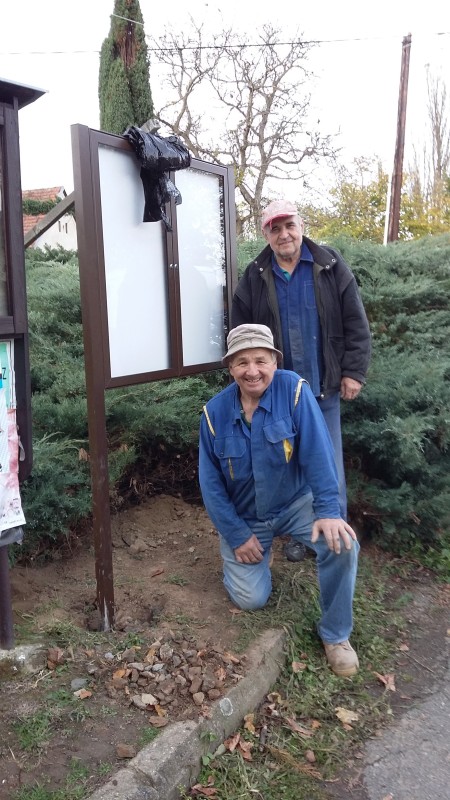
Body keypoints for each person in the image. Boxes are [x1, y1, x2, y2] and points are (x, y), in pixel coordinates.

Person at [199, 323, 360, 677]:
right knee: (251, 600)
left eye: (260, 360)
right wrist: (237, 535)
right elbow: (211, 486)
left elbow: (319, 453)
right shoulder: (213, 414)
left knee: (343, 545)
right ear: (230, 368)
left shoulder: (295, 391)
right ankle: (256, 552)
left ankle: (335, 635)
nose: (252, 371)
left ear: (274, 361)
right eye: (242, 362)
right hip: (246, 517)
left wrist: (329, 511)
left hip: (295, 505)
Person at [231, 200, 371, 562]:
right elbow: (240, 332)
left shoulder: (330, 265)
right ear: (266, 234)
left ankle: (335, 539)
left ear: (301, 226)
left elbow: (355, 321)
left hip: (323, 390)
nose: (284, 234)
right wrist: (248, 377)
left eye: (289, 225)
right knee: (289, 465)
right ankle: (303, 535)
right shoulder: (255, 275)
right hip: (277, 393)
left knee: (327, 463)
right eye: (275, 228)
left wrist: (353, 371)